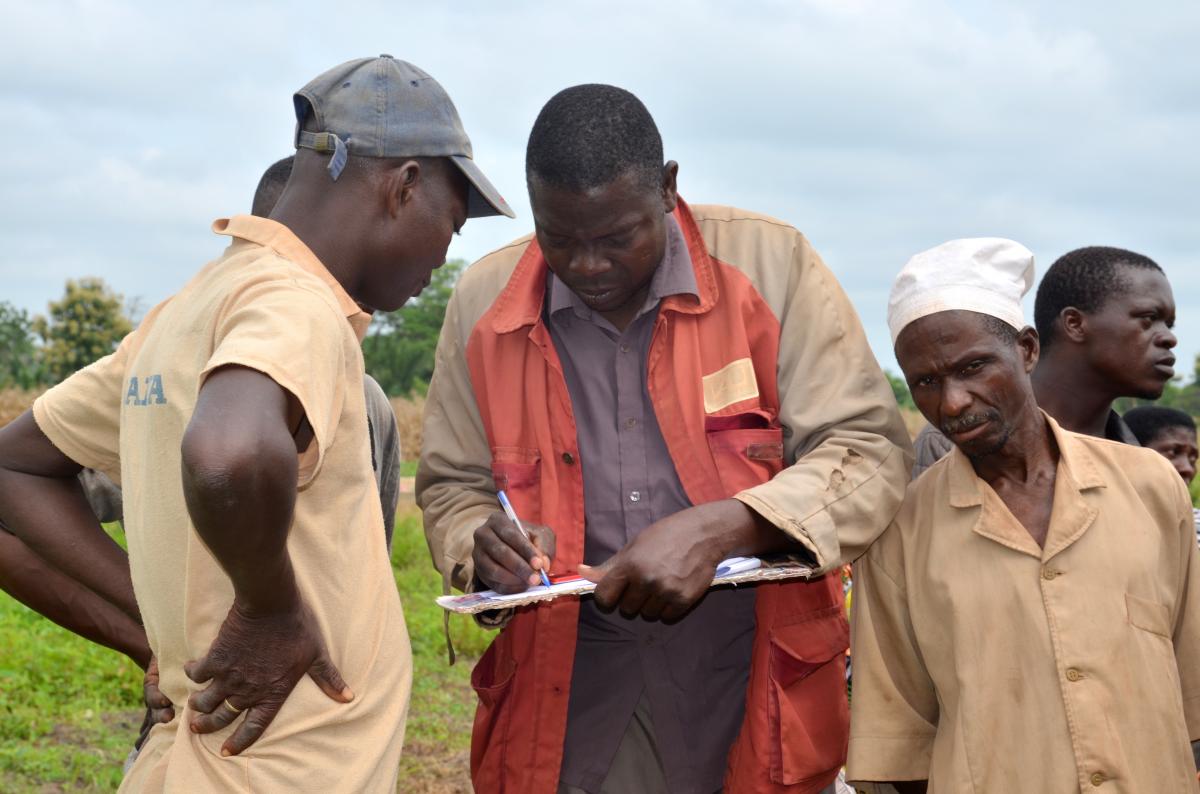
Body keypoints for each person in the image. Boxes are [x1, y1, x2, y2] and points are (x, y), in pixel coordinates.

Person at [0, 55, 513, 792]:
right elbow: (227, 452)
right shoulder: (296, 303)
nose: (443, 254)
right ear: (404, 187)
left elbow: (15, 467)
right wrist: (270, 612)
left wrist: (159, 628)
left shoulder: (187, 313)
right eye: (453, 225)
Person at [417, 84, 912, 794]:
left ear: (668, 189)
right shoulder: (483, 306)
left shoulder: (774, 267)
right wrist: (479, 543)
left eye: (618, 237)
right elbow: (452, 486)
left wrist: (730, 527)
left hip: (752, 671)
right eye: (561, 239)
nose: (589, 265)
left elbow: (865, 448)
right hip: (570, 689)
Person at [0, 154, 406, 765]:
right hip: (238, 731)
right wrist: (155, 637)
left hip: (301, 730)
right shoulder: (167, 367)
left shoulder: (361, 402)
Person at [846, 238, 1200, 791]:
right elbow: (899, 740)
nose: (954, 402)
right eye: (926, 382)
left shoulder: (1151, 487)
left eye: (974, 367)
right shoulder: (901, 529)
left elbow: (1189, 686)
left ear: (1028, 350)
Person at [911, 245, 1178, 476]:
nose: (1169, 338)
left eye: (1168, 324)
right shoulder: (956, 442)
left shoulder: (1144, 468)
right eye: (1148, 319)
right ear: (1074, 324)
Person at [1125, 405, 1200, 545]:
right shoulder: (1098, 519)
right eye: (1173, 453)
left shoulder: (1194, 526)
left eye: (1193, 458)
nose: (1188, 468)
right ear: (1131, 452)